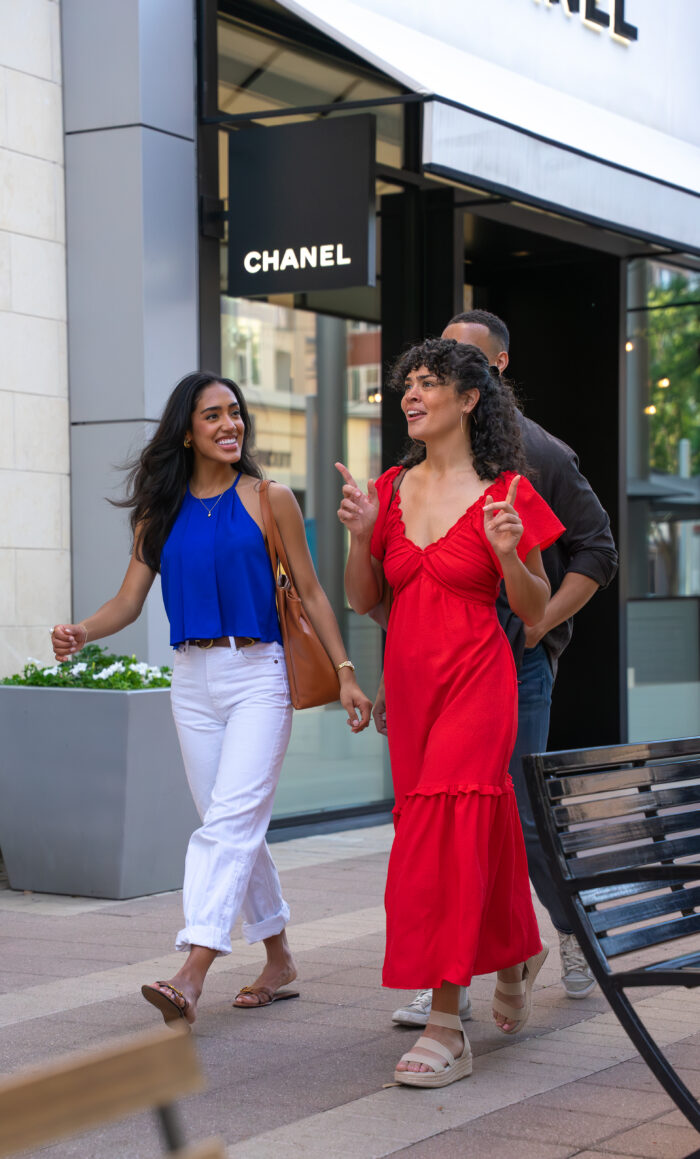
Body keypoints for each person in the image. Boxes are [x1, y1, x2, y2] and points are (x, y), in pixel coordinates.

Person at [51, 371, 371, 1027]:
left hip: (259, 674)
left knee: (226, 824)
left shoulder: (269, 497)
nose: (231, 425)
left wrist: (345, 670)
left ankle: (192, 969)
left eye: (235, 412)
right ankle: (279, 957)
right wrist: (83, 630)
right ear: (187, 431)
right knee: (232, 824)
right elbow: (129, 599)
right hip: (191, 680)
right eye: (213, 415)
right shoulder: (159, 511)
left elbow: (311, 592)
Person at [337, 339, 565, 1087]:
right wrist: (359, 536)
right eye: (407, 383)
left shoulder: (508, 494)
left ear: (469, 399)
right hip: (412, 689)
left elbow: (533, 611)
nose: (411, 393)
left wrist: (509, 556)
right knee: (463, 829)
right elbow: (364, 598)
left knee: (447, 831)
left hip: (479, 680)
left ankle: (445, 1024)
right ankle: (517, 952)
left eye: (429, 383)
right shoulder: (389, 487)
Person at [385, 309, 618, 1030]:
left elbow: (598, 550)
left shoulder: (540, 453)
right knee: (460, 821)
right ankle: (477, 966)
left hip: (512, 664)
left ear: (492, 372)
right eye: (429, 364)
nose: (431, 377)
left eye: (458, 360)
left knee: (515, 814)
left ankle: (567, 934)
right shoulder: (413, 467)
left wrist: (539, 626)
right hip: (436, 666)